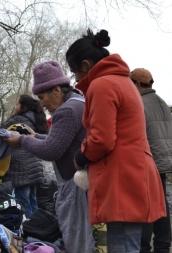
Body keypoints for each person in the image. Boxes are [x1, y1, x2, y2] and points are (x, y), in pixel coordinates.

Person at [66, 29, 166, 252]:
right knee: (129, 242)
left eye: (74, 73)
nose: (76, 79)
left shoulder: (102, 85)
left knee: (121, 245)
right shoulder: (123, 82)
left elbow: (102, 139)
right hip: (134, 170)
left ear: (85, 65)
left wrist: (81, 156)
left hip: (121, 174)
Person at [4, 61, 95, 252]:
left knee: (78, 240)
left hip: (76, 187)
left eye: (42, 97)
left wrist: (21, 140)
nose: (42, 103)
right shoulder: (80, 102)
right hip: (86, 183)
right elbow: (62, 141)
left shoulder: (67, 111)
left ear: (56, 90)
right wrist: (36, 136)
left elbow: (51, 150)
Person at [130, 68, 172, 253]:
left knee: (146, 208)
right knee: (162, 204)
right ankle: (163, 246)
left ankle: (144, 248)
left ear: (137, 84)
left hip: (148, 162)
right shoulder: (162, 102)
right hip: (164, 161)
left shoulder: (140, 103)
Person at [0, 94, 47, 218]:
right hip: (35, 166)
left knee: (23, 203)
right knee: (33, 201)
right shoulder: (37, 119)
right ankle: (37, 227)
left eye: (17, 104)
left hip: (21, 168)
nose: (14, 106)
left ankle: (27, 230)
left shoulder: (18, 119)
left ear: (24, 107)